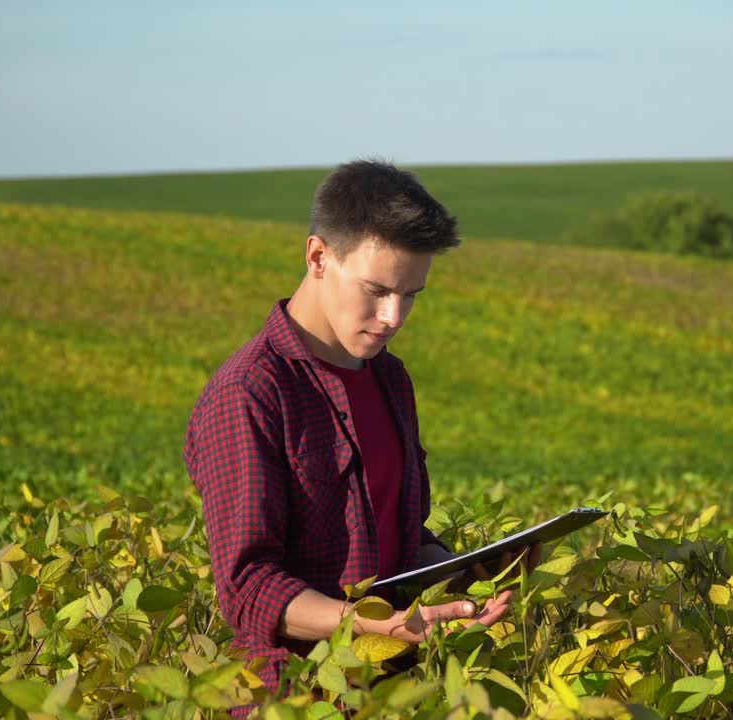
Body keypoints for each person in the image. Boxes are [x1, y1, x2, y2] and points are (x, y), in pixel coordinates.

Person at [184, 159, 537, 712]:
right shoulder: (249, 393)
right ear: (318, 257)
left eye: (412, 294)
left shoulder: (390, 378)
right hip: (293, 697)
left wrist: (472, 578)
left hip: (395, 694)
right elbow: (248, 588)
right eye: (376, 290)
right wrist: (371, 626)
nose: (394, 316)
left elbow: (398, 540)